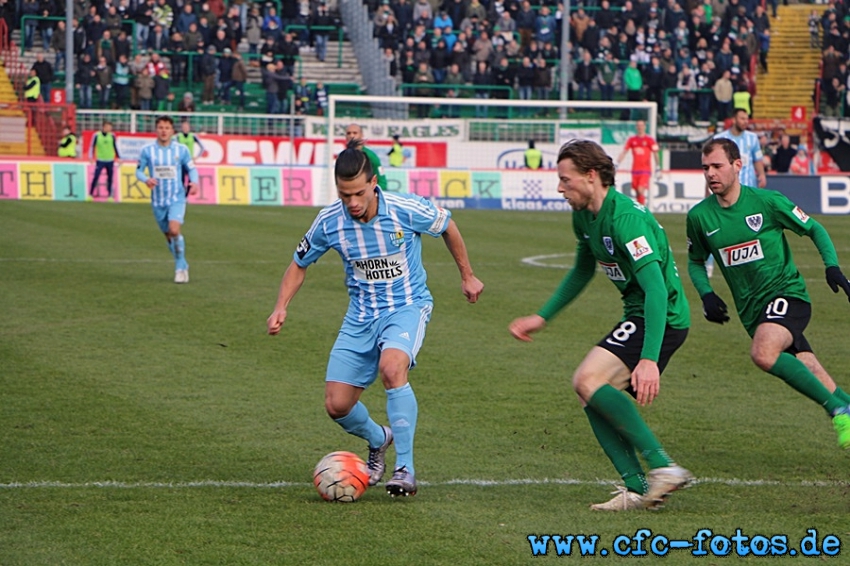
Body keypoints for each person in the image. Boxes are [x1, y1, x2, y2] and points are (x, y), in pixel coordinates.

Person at [267, 140, 484, 497]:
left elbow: (447, 225)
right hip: (360, 317)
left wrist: (467, 275)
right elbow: (299, 263)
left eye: (357, 193)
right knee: (336, 405)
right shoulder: (329, 221)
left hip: (406, 307)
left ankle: (405, 469)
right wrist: (281, 306)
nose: (352, 202)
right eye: (343, 195)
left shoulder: (404, 208)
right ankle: (379, 437)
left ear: (372, 183)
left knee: (392, 368)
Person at [509, 139, 693, 511]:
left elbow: (657, 291)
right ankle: (638, 487)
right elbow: (581, 269)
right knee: (587, 390)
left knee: (586, 380)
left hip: (662, 316)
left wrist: (649, 360)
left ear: (591, 176)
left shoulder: (626, 220)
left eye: (566, 179)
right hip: (639, 315)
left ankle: (662, 466)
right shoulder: (584, 215)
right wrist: (542, 316)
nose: (560, 188)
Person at [687, 138, 850, 452]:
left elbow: (814, 228)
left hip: (787, 295)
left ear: (738, 165)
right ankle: (845, 406)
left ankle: (837, 409)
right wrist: (706, 293)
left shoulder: (767, 201)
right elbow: (695, 261)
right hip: (753, 312)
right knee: (810, 367)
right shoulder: (699, 217)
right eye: (705, 167)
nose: (710, 174)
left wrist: (831, 266)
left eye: (717, 166)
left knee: (763, 353)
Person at [135, 116, 199, 284]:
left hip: (176, 197)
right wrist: (146, 179)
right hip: (158, 200)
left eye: (167, 128)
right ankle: (183, 263)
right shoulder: (148, 151)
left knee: (174, 229)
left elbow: (192, 169)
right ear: (156, 130)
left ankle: (179, 267)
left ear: (172, 131)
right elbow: (139, 171)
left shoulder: (181, 150)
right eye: (161, 127)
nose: (163, 130)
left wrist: (194, 182)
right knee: (169, 236)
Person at [714, 108, 767, 188]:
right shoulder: (720, 139)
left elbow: (757, 159)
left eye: (747, 119)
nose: (746, 122)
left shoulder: (752, 138)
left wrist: (762, 175)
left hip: (748, 186)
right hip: (727, 188)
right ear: (734, 120)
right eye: (742, 119)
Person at [615, 120, 659, 206]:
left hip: (645, 170)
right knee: (637, 193)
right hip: (635, 170)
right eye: (638, 125)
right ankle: (640, 209)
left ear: (645, 127)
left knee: (640, 189)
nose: (640, 127)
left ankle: (642, 210)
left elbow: (655, 153)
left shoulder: (649, 140)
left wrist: (658, 167)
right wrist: (617, 163)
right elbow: (624, 152)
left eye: (641, 125)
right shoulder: (632, 140)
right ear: (636, 127)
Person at [344, 123, 387, 191]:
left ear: (362, 135)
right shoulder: (343, 156)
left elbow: (382, 180)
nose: (351, 135)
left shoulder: (372, 156)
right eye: (348, 133)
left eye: (355, 133)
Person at [88, 121, 120, 201]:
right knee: (96, 176)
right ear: (104, 127)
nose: (110, 129)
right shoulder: (96, 135)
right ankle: (90, 194)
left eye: (110, 127)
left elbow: (115, 146)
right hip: (100, 160)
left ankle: (110, 196)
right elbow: (92, 146)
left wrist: (118, 157)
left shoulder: (112, 136)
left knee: (110, 178)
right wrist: (91, 157)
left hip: (110, 160)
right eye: (108, 127)